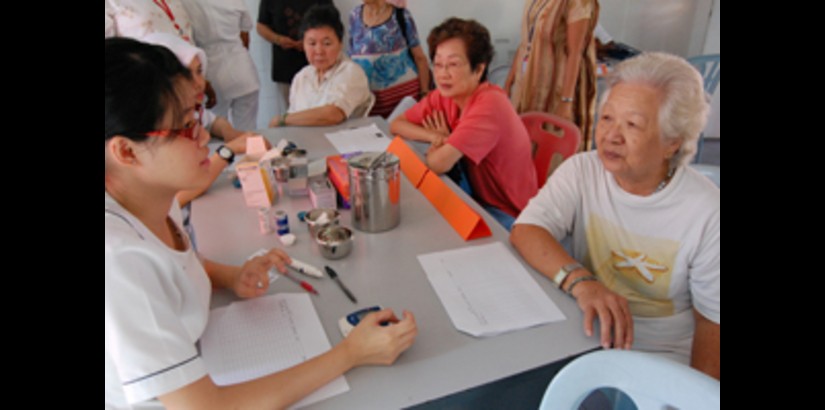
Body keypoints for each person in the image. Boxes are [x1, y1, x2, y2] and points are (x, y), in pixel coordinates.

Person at [105, 37, 418, 409]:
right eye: (187, 127)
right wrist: (350, 354)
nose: (205, 135)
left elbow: (178, 266)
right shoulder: (120, 262)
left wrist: (230, 277)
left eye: (198, 117)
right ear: (126, 151)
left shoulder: (152, 196)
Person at [510, 52, 719, 379]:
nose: (611, 135)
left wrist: (699, 396)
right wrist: (582, 282)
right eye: (606, 118)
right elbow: (527, 230)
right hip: (583, 333)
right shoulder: (583, 170)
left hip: (661, 355)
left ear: (671, 143)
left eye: (632, 124)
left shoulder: (707, 212)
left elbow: (713, 322)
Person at [390, 18, 537, 231]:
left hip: (508, 214)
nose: (442, 74)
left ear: (478, 70)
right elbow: (397, 124)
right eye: (438, 64)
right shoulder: (446, 94)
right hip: (474, 196)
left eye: (453, 64)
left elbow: (438, 164)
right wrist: (435, 137)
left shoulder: (490, 104)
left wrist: (443, 145)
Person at [504, 0, 599, 149]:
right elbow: (526, 40)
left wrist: (566, 101)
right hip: (528, 80)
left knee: (549, 140)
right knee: (522, 136)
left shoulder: (578, 3)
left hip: (555, 85)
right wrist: (510, 80)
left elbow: (575, 53)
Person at [269, 5, 372, 128]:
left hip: (344, 143)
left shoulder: (351, 72)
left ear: (340, 44)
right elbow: (294, 123)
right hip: (306, 143)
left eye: (327, 43)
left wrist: (282, 119)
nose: (319, 51)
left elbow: (333, 115)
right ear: (303, 45)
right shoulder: (301, 77)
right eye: (312, 43)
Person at [180, 0, 260, 131]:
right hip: (243, 69)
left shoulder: (185, 4)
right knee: (248, 134)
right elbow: (245, 36)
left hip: (212, 74)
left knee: (216, 132)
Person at [348, 0, 431, 118]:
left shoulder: (401, 15)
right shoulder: (354, 15)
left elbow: (420, 58)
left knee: (401, 136)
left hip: (404, 103)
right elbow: (351, 58)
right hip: (371, 106)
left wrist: (425, 94)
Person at [257, 0, 333, 114]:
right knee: (291, 114)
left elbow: (332, 22)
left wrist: (312, 42)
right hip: (285, 66)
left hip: (319, 64)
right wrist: (278, 39)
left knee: (321, 113)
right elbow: (261, 26)